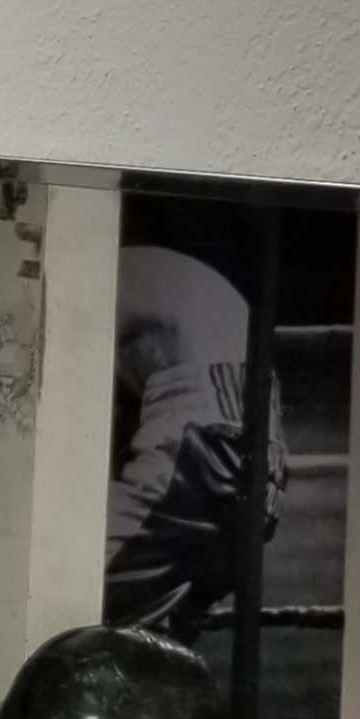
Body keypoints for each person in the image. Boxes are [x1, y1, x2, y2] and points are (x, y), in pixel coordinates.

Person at [108, 241, 285, 638]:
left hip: (199, 445)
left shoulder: (85, 274)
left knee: (65, 601)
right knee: (146, 641)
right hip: (263, 470)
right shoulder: (151, 271)